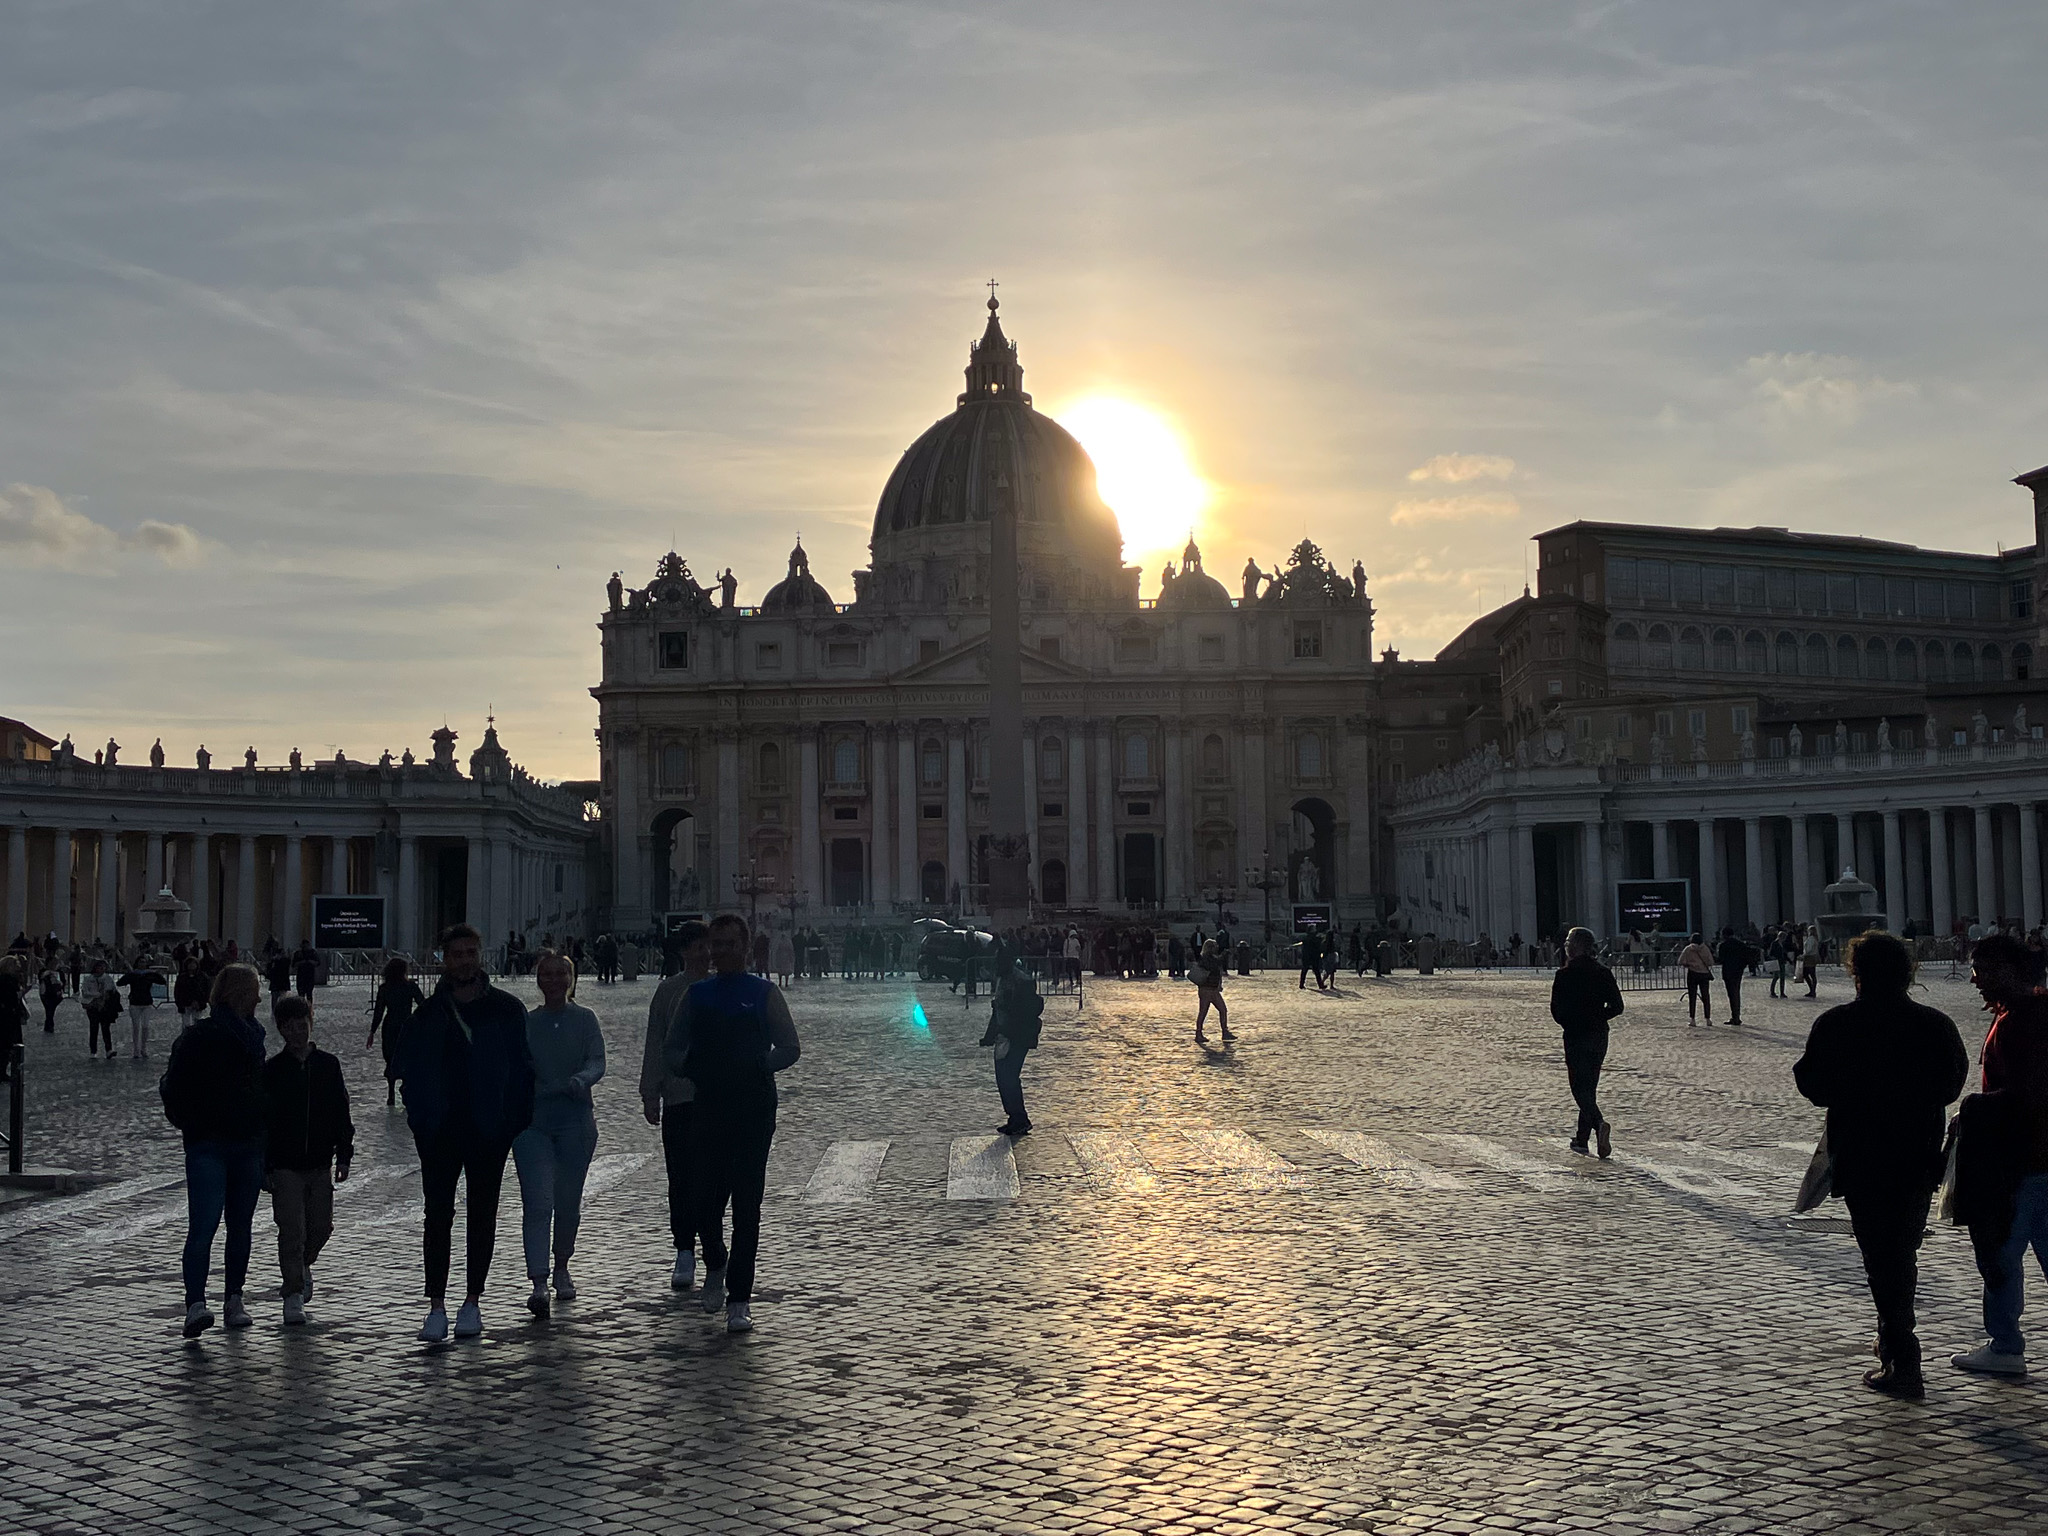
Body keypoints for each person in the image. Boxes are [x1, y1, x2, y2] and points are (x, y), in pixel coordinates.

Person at [1792, 930, 1966, 1397]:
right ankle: (1896, 1344)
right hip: (1916, 1153)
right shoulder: (1934, 1024)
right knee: (1900, 1252)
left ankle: (1901, 1355)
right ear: (1907, 973)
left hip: (1862, 1153)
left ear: (1855, 972)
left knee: (1880, 1256)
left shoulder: (1838, 1024)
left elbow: (1813, 1085)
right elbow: (1951, 1086)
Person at [396, 923, 536, 1343]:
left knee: (482, 1215)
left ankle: (473, 1300)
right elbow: (409, 1073)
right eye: (456, 954)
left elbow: (522, 1073)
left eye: (470, 953)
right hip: (438, 1132)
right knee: (437, 1217)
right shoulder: (427, 1014)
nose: (464, 961)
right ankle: (435, 1304)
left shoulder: (508, 1010)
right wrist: (420, 1122)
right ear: (444, 959)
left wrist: (510, 1124)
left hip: (488, 1130)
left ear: (480, 956)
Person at [663, 913, 801, 1334]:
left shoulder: (763, 993)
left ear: (744, 948)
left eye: (729, 944)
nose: (721, 951)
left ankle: (740, 1296)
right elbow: (672, 1046)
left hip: (753, 1107)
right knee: (704, 1199)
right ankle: (716, 1262)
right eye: (715, 944)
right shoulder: (696, 995)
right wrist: (693, 1069)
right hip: (708, 1103)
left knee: (747, 1205)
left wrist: (759, 1065)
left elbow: (790, 1045)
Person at [1947, 933, 2048, 1378]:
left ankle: (2006, 1345)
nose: (1975, 980)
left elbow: (2030, 1094)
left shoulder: (2019, 1020)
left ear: (2010, 971)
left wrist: (1973, 1108)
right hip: (2039, 1156)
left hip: (2021, 1158)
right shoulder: (2033, 1011)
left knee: (2001, 1253)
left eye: (1982, 970)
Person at [159, 963, 270, 1337]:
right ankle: (197, 1303)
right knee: (206, 1227)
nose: (259, 997)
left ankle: (232, 1297)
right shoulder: (201, 1037)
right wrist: (194, 1123)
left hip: (245, 1143)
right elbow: (173, 1088)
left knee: (237, 1226)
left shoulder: (255, 1039)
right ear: (239, 993)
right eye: (254, 990)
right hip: (209, 1143)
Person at [513, 950, 606, 1320]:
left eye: (560, 974)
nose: (553, 980)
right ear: (538, 980)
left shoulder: (585, 1019)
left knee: (568, 1202)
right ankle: (538, 1280)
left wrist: (581, 1080)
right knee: (537, 1202)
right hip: (532, 1123)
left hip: (575, 1120)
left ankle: (562, 1263)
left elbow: (597, 1060)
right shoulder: (526, 1022)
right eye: (546, 974)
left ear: (570, 980)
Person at [261, 994, 354, 1325]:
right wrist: (265, 1165)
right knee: (291, 1228)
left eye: (302, 1026)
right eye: (290, 1028)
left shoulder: (327, 1066)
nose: (298, 1033)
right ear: (282, 1031)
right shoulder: (272, 1070)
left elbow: (341, 1112)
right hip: (285, 1164)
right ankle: (293, 1293)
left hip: (319, 1161)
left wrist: (343, 1154)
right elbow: (264, 1121)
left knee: (320, 1226)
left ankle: (303, 1263)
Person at [643, 919, 712, 1293]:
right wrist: (650, 1091)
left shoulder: (724, 989)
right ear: (684, 952)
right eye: (697, 947)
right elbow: (655, 1043)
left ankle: (712, 1244)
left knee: (714, 1177)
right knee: (681, 1178)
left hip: (718, 1100)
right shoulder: (668, 992)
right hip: (681, 1097)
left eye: (708, 947)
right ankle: (684, 1248)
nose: (704, 954)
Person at [1549, 927, 1622, 1158]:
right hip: (1599, 1035)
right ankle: (1582, 1139)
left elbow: (1556, 1012)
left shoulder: (1564, 975)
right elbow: (1617, 1006)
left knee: (1579, 1088)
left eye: (1569, 941)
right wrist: (1599, 1016)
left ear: (1577, 946)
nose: (1566, 945)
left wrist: (1572, 1021)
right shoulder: (1603, 973)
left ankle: (1599, 1124)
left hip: (1575, 1035)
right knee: (1589, 1085)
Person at [979, 959, 1044, 1137]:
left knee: (1009, 1078)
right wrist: (989, 1035)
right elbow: (997, 1010)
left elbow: (1018, 1011)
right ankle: (1014, 1118)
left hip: (1016, 1036)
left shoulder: (1020, 981)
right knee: (1004, 1078)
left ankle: (1020, 1118)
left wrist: (1004, 1030)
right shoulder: (1005, 979)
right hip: (1005, 1035)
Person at [367, 956, 427, 1109]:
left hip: (390, 1026)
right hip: (407, 1025)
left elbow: (379, 1012)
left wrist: (372, 1032)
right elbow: (424, 1005)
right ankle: (406, 1089)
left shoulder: (384, 988)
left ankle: (391, 1093)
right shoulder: (411, 986)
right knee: (408, 1058)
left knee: (391, 1058)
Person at [1191, 937, 1233, 1048]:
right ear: (1210, 948)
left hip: (1212, 989)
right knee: (1203, 1012)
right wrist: (1224, 955)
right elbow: (1214, 964)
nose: (1217, 948)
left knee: (1223, 1009)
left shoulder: (1209, 958)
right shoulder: (1205, 958)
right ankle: (1198, 1033)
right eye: (1215, 946)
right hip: (1206, 989)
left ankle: (1225, 1031)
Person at [118, 959, 163, 1060]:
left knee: (145, 1026)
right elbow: (119, 983)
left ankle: (144, 1047)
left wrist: (156, 974)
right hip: (135, 1003)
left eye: (144, 962)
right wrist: (128, 975)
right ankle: (136, 1049)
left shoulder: (149, 975)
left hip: (147, 1003)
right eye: (140, 962)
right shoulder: (133, 974)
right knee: (136, 1027)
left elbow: (162, 981)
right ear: (137, 963)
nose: (142, 964)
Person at [1716, 928, 1757, 1025]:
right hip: (1738, 972)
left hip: (1728, 971)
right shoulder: (1740, 944)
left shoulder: (1723, 945)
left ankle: (1735, 1016)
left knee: (1731, 994)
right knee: (1736, 993)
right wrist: (1742, 966)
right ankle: (1736, 1016)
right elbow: (1747, 957)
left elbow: (1720, 959)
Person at [81, 958, 120, 1058]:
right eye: (99, 967)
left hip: (105, 1006)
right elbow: (85, 992)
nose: (102, 969)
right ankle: (93, 1051)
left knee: (105, 1028)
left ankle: (109, 1049)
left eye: (103, 967)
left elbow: (112, 991)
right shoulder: (88, 979)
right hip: (92, 1006)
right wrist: (97, 995)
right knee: (93, 1028)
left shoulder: (108, 979)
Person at [1675, 933, 1714, 1024]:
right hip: (1704, 974)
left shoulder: (1688, 949)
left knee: (1692, 996)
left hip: (1692, 973)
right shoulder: (1705, 948)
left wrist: (1689, 964)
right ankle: (1708, 1019)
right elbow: (1710, 962)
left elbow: (1681, 961)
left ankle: (1692, 1019)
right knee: (1706, 996)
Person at [173, 956, 208, 1030]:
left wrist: (201, 1002)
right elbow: (178, 991)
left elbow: (206, 990)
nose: (191, 965)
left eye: (193, 963)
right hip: (185, 1004)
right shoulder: (182, 977)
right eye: (190, 964)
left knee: (198, 1024)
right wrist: (180, 1004)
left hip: (198, 1005)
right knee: (186, 1025)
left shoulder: (203, 977)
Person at [38, 961, 64, 1033]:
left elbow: (62, 983)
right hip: (47, 993)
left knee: (50, 1010)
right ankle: (49, 1025)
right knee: (50, 1010)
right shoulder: (44, 973)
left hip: (54, 994)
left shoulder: (58, 973)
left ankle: (48, 1025)